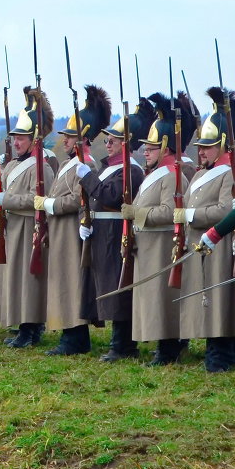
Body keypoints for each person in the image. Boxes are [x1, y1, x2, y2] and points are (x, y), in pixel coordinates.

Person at [76, 97, 152, 361]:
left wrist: (87, 176)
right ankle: (117, 342)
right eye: (107, 140)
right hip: (100, 231)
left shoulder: (130, 170)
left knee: (118, 287)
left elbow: (110, 196)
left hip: (115, 232)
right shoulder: (110, 168)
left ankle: (123, 345)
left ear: (125, 145)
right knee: (104, 285)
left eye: (113, 141)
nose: (107, 144)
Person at [40, 85, 111, 355]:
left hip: (72, 231)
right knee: (63, 283)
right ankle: (69, 334)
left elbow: (76, 200)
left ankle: (75, 337)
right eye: (66, 136)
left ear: (83, 139)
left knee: (72, 284)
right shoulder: (70, 163)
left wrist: (50, 205)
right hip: (60, 232)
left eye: (70, 137)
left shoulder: (87, 165)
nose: (65, 141)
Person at [179, 87, 235, 373]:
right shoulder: (201, 174)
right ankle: (215, 351)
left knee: (220, 303)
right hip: (204, 243)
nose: (200, 151)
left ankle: (222, 354)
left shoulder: (232, 173)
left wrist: (192, 216)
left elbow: (227, 210)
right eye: (200, 147)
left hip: (222, 244)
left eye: (206, 146)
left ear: (221, 145)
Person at [128, 93, 193, 365]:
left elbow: (169, 213)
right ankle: (162, 346)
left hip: (162, 244)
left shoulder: (171, 175)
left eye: (152, 148)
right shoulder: (154, 173)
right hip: (148, 244)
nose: (145, 151)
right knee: (152, 299)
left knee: (162, 300)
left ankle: (168, 348)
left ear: (165, 148)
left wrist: (138, 214)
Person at [0, 87, 55, 348]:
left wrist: (5, 201)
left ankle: (31, 328)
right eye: (15, 137)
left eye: (21, 138)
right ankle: (21, 325)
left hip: (30, 226)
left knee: (29, 281)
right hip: (12, 226)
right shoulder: (13, 164)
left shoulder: (42, 166)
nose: (16, 142)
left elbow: (37, 200)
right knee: (15, 279)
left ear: (33, 139)